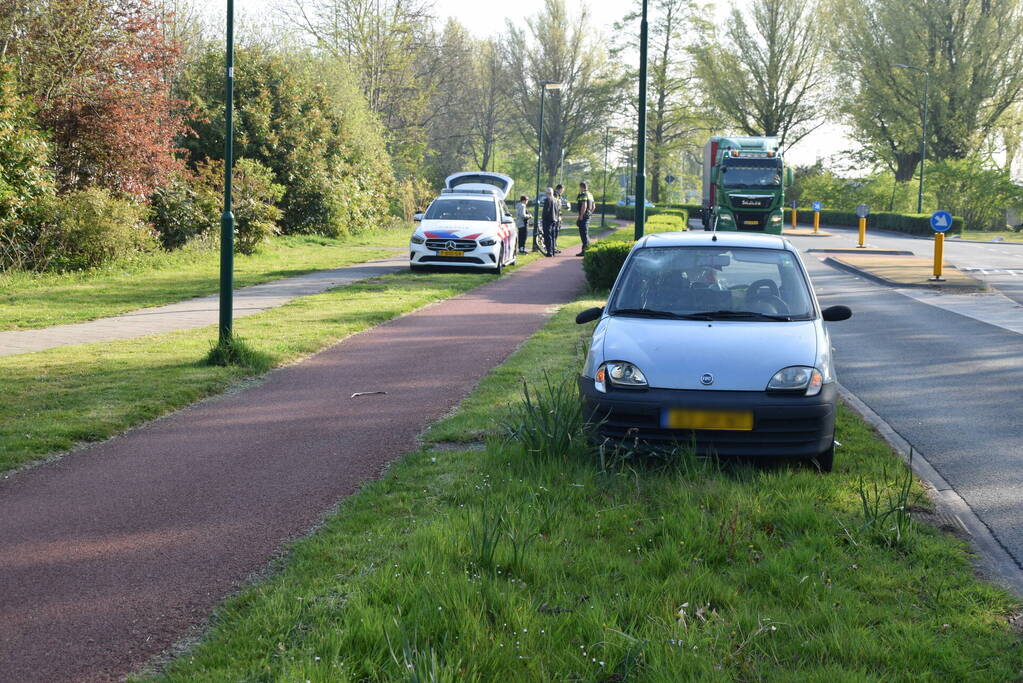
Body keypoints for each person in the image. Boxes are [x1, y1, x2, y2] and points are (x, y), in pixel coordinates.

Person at [575, 180, 595, 256]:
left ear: (581, 187)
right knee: (585, 232)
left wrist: (581, 216)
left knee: (583, 234)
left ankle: (585, 251)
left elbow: (584, 205)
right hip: (588, 216)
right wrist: (590, 213)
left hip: (583, 216)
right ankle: (587, 249)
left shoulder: (583, 194)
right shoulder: (590, 194)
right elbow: (593, 207)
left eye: (579, 187)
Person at [553, 184, 570, 254]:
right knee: (554, 232)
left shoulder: (558, 196)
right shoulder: (555, 195)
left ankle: (554, 247)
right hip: (555, 217)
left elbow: (559, 205)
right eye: (562, 190)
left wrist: (565, 206)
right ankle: (553, 247)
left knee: (556, 232)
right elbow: (556, 205)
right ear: (558, 189)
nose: (562, 192)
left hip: (558, 216)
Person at [541, 187, 557, 256]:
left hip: (548, 220)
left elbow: (546, 211)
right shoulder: (555, 200)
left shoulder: (548, 200)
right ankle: (553, 251)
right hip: (554, 220)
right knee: (552, 236)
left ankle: (549, 252)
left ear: (547, 193)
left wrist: (543, 218)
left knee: (547, 236)